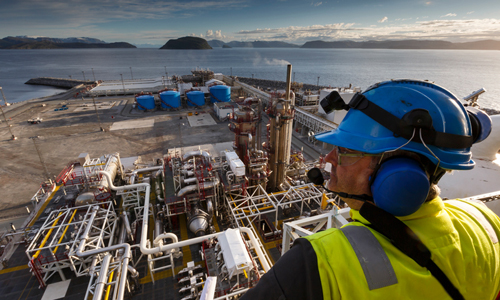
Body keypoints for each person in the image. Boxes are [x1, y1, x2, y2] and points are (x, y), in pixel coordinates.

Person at [241, 80, 500, 300]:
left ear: (396, 172)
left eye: (346, 150)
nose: (329, 158)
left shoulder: (318, 262)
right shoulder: (483, 218)